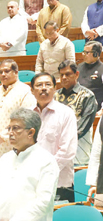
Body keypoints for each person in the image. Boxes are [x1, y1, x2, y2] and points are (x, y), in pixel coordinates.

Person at [0, 109, 58, 221]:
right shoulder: (5, 159)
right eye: (9, 128)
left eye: (15, 128)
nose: (10, 133)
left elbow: (43, 201)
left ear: (31, 132)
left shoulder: (46, 160)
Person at [31, 72, 77, 202]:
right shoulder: (27, 114)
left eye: (48, 84)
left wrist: (45, 172)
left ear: (55, 88)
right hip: (31, 184)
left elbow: (67, 151)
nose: (44, 88)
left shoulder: (66, 113)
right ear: (32, 90)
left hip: (59, 183)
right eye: (39, 85)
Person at [0, 59, 37, 162]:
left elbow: (26, 119)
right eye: (1, 72)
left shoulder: (25, 91)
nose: (3, 74)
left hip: (16, 149)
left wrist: (2, 137)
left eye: (7, 71)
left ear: (16, 72)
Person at [55, 60, 97, 166]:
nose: (64, 77)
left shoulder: (87, 96)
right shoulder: (55, 96)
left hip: (79, 150)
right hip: (57, 152)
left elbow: (83, 126)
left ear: (76, 74)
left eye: (68, 74)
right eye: (61, 75)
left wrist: (61, 139)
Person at [78, 41, 103, 106]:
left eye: (87, 52)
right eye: (83, 52)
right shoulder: (79, 67)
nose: (83, 54)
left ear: (96, 54)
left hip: (95, 106)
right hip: (79, 105)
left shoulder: (102, 69)